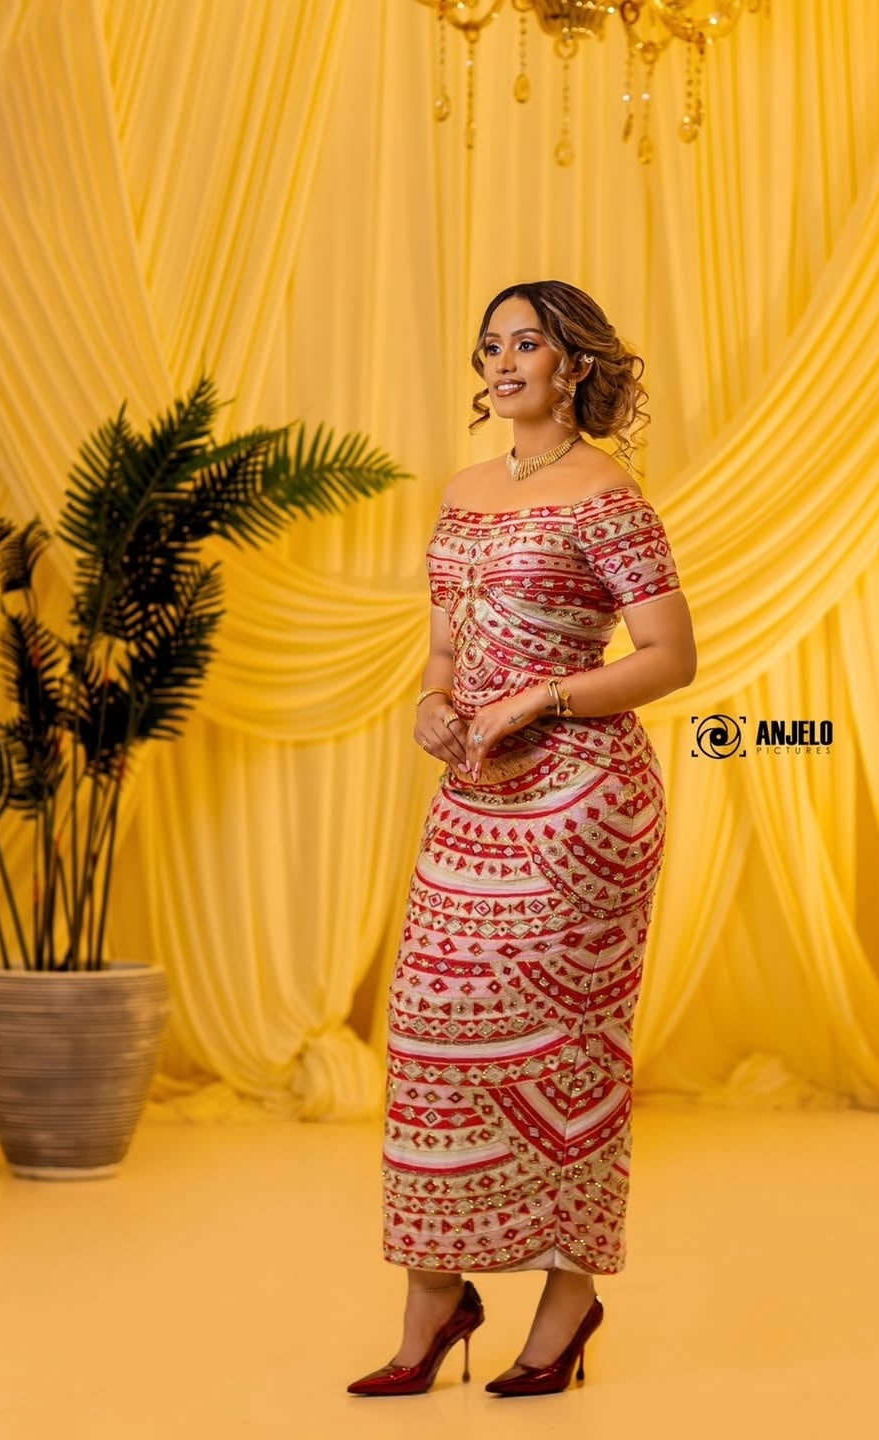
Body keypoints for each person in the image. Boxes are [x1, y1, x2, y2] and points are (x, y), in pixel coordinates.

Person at [347, 280, 696, 1399]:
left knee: (562, 1052)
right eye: (491, 344)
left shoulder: (608, 499)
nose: (503, 361)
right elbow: (443, 656)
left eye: (527, 343)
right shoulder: (460, 493)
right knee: (433, 1025)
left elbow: (668, 658)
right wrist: (431, 703)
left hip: (582, 803)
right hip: (472, 796)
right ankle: (437, 1297)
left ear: (573, 367)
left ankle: (568, 1297)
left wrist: (541, 700)